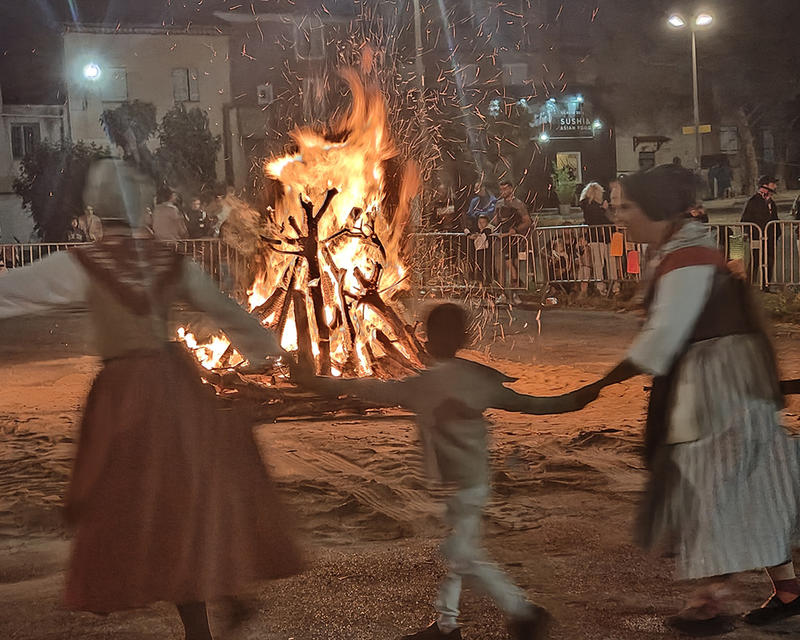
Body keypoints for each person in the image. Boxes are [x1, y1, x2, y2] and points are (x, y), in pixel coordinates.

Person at [0, 194, 303, 639]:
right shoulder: (168, 262)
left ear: (95, 220)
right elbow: (224, 309)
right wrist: (267, 350)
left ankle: (204, 620)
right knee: (177, 504)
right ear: (138, 216)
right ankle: (219, 609)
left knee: (144, 507)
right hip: (173, 387)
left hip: (124, 392)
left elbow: (15, 291)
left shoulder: (82, 263)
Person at [572, 164, 800, 635]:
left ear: (654, 209)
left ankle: (712, 600)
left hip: (721, 388)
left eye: (625, 206)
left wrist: (594, 387)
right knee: (749, 487)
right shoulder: (681, 248)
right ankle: (789, 591)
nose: (617, 215)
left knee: (716, 488)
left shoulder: (688, 255)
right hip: (724, 382)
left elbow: (661, 340)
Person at [296, 303, 592, 640]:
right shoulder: (475, 378)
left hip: (461, 485)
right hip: (472, 481)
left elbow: (371, 388)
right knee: (460, 554)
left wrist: (319, 382)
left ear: (429, 340)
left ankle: (521, 611)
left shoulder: (428, 383)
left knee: (460, 554)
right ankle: (447, 625)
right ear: (463, 339)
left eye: (427, 334)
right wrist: (574, 399)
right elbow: (531, 404)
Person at [492, 181, 529, 303]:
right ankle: (502, 294)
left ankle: (515, 294)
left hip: (515, 240)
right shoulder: (498, 204)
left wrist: (516, 230)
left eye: (505, 189)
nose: (503, 192)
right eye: (501, 189)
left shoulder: (519, 205)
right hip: (501, 239)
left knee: (514, 265)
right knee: (500, 267)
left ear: (511, 189)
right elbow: (496, 221)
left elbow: (527, 221)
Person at [579, 182, 619, 296]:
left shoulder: (587, 206)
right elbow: (604, 220)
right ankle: (607, 286)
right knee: (603, 263)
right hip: (600, 237)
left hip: (600, 237)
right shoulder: (593, 207)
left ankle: (605, 286)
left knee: (602, 263)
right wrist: (605, 210)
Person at [741, 175, 780, 291]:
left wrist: (777, 233)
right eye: (773, 183)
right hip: (757, 236)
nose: (775, 186)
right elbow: (745, 219)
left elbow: (775, 219)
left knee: (769, 260)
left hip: (770, 237)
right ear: (766, 185)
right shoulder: (753, 201)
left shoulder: (771, 202)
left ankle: (766, 285)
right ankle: (749, 286)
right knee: (756, 261)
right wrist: (748, 233)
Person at [465, 214, 494, 285]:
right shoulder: (476, 228)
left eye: (483, 222)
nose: (481, 224)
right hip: (477, 250)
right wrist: (469, 235)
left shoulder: (488, 229)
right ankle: (477, 281)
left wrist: (476, 236)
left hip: (486, 251)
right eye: (479, 222)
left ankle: (488, 282)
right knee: (477, 265)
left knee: (486, 266)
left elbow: (484, 236)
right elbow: (466, 229)